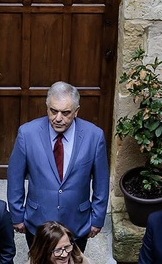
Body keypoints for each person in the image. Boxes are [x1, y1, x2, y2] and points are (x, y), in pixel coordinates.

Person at [7, 81, 109, 246]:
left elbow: (101, 183)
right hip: (37, 224)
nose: (58, 118)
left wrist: (97, 219)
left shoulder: (94, 136)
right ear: (47, 108)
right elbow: (15, 177)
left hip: (77, 225)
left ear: (76, 111)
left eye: (65, 113)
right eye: (53, 111)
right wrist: (17, 215)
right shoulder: (27, 134)